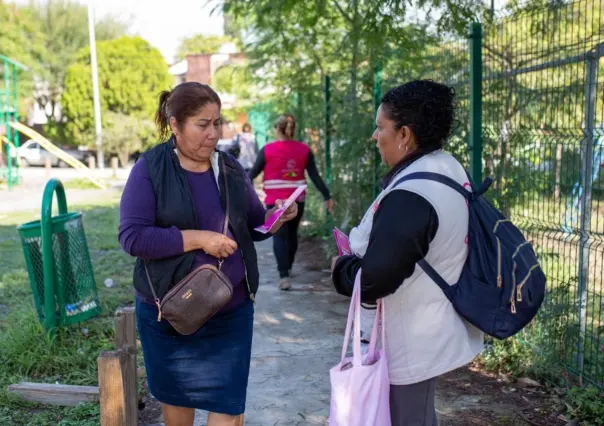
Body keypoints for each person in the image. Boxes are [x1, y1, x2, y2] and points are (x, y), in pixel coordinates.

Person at [118, 82, 298, 426]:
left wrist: (278, 215)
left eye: (217, 123)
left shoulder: (230, 167)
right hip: (171, 313)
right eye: (203, 124)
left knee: (230, 411)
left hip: (231, 310)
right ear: (175, 125)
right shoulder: (151, 169)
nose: (213, 133)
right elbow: (133, 237)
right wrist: (199, 239)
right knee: (179, 412)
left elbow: (256, 225)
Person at [331, 80, 484, 426]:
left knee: (407, 417)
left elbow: (375, 279)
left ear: (404, 135)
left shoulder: (412, 194)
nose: (374, 135)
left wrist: (341, 269)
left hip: (409, 338)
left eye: (381, 127)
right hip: (430, 325)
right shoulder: (445, 167)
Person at [249, 113, 334, 290]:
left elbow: (252, 174)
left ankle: (284, 275)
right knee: (292, 233)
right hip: (297, 200)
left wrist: (241, 191)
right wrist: (327, 196)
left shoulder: (267, 149)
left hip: (275, 201)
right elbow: (315, 176)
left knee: (279, 235)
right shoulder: (304, 149)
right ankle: (288, 266)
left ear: (277, 129)